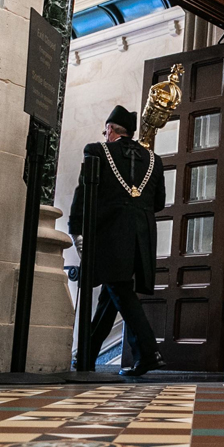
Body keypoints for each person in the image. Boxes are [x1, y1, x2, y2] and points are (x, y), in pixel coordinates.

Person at [69, 105, 166, 376]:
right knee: (112, 294)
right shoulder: (154, 160)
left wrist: (76, 228)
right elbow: (158, 202)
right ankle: (87, 354)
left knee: (120, 290)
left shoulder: (97, 151)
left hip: (111, 234)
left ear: (111, 130)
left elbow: (84, 193)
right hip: (142, 237)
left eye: (105, 130)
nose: (104, 134)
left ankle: (149, 353)